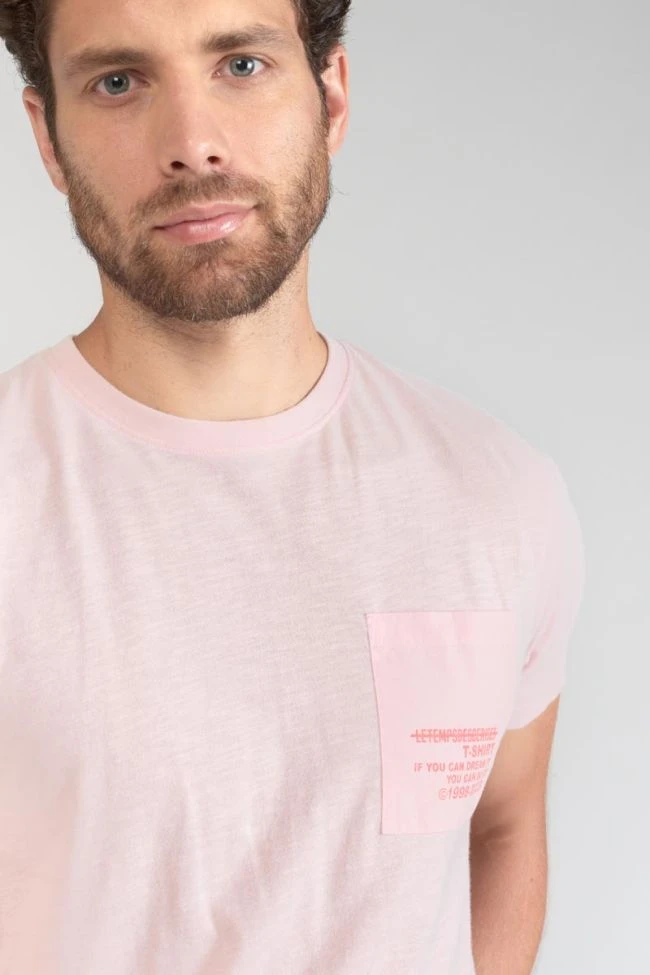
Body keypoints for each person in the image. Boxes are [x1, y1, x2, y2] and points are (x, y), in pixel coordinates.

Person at [0, 0, 586, 972]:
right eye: (118, 81)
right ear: (49, 140)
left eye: (240, 64)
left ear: (331, 96)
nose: (191, 143)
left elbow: (502, 824)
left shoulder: (497, 495)